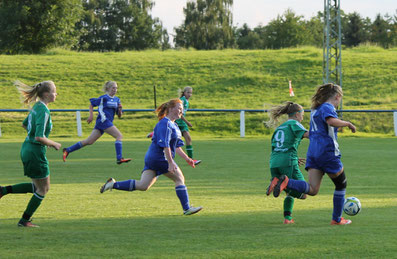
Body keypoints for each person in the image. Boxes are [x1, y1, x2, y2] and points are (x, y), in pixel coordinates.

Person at [267, 83, 356, 225]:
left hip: (313, 153)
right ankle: (337, 219)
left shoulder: (315, 109)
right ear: (337, 96)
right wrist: (347, 123)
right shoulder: (327, 107)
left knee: (313, 189)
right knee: (341, 184)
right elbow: (331, 121)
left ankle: (285, 181)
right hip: (327, 152)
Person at [100, 98, 203, 216]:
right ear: (170, 109)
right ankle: (186, 208)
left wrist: (187, 159)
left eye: (182, 109)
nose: (181, 112)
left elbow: (176, 147)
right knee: (179, 179)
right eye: (179, 109)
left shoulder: (174, 125)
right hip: (159, 158)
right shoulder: (165, 124)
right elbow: (165, 145)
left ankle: (113, 184)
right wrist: (170, 162)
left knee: (143, 185)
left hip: (152, 158)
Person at [0, 80, 61, 227]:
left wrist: (33, 136)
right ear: (46, 94)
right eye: (54, 91)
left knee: (37, 187)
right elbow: (39, 137)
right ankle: (24, 220)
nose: (56, 94)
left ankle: (3, 190)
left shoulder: (37, 107)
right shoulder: (44, 111)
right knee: (44, 188)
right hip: (35, 151)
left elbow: (24, 124)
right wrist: (54, 143)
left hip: (26, 148)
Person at [63, 81, 131, 164]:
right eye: (113, 87)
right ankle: (119, 158)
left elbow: (119, 115)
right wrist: (91, 116)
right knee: (119, 135)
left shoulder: (117, 100)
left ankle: (68, 150)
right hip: (103, 121)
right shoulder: (104, 98)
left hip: (105, 122)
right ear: (108, 88)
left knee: (89, 141)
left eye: (116, 88)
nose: (115, 89)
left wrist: (120, 110)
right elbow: (91, 104)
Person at [265, 102, 309, 224]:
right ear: (296, 114)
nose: (303, 118)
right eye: (302, 114)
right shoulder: (294, 123)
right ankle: (280, 182)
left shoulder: (280, 128)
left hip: (274, 162)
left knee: (290, 190)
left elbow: (278, 147)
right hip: (287, 161)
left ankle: (288, 218)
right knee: (305, 192)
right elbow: (308, 135)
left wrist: (294, 157)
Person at [175, 87, 201, 165]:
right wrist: (187, 122)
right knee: (171, 141)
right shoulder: (182, 100)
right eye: (188, 92)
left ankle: (191, 160)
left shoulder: (186, 101)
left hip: (181, 122)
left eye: (191, 93)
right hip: (177, 122)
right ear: (184, 92)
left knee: (188, 138)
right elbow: (180, 114)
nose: (190, 94)